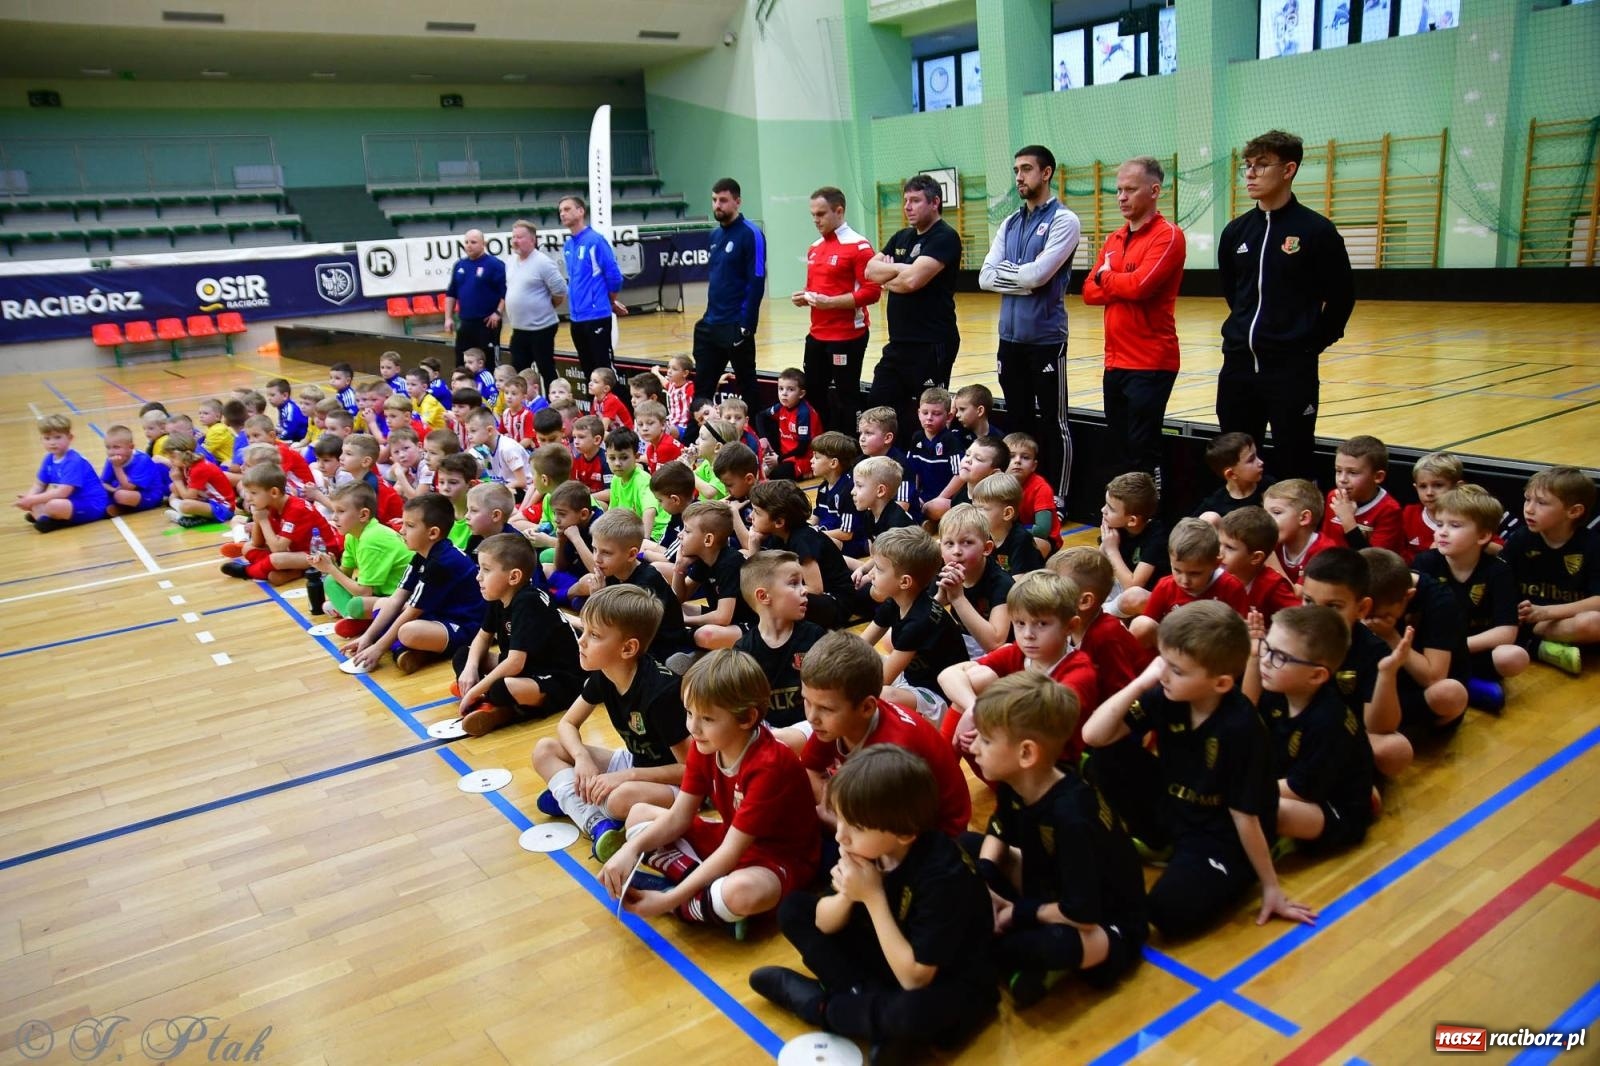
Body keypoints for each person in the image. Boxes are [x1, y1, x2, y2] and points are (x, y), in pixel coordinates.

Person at [1083, 601, 1317, 938]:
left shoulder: (1240, 728)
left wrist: (1271, 887)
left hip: (1220, 837)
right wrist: (1140, 683)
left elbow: (1245, 817)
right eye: (1163, 662)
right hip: (1175, 807)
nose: (1163, 674)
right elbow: (1094, 735)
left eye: (1177, 670)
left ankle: (1241, 866)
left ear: (1221, 683)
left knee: (1167, 913)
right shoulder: (1166, 692)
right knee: (1104, 758)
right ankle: (1163, 845)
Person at [751, 745, 997, 1058]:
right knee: (794, 910)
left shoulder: (942, 874)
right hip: (891, 954)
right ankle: (869, 1006)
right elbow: (823, 923)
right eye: (839, 820)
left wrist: (872, 896)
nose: (841, 836)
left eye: (855, 827)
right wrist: (847, 894)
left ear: (904, 833)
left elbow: (915, 978)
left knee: (917, 1011)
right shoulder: (869, 849)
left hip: (943, 980)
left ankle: (821, 1006)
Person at [598, 649, 820, 934]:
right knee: (638, 815)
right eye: (689, 713)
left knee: (741, 892)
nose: (693, 727)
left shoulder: (769, 765)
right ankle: (705, 901)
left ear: (747, 718)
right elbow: (679, 817)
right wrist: (629, 850)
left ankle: (685, 897)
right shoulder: (706, 746)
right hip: (731, 840)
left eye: (707, 719)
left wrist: (669, 900)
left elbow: (730, 852)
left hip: (777, 862)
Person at [967, 673, 1147, 1007]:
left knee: (1041, 944)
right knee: (966, 848)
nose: (973, 746)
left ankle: (1026, 959)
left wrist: (1013, 914)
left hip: (1101, 920)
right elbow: (999, 829)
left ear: (1026, 753)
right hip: (1052, 887)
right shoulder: (1015, 781)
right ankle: (1023, 959)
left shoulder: (1072, 816)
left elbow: (1082, 913)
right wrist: (986, 881)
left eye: (986, 740)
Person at [1217, 130, 1355, 480]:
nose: (1250, 173)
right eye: (1247, 166)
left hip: (1291, 372)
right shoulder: (1236, 232)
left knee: (1294, 460)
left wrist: (1307, 343)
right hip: (1238, 368)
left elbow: (1341, 298)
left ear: (1289, 169)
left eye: (1261, 166)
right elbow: (1234, 293)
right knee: (1236, 463)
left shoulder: (1317, 231)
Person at [531, 584, 689, 860]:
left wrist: (625, 776)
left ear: (627, 648)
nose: (581, 641)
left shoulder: (661, 693)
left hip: (678, 785)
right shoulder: (604, 674)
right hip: (636, 763)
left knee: (619, 798)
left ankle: (577, 805)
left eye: (594, 635)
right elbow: (567, 724)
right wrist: (582, 758)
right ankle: (593, 815)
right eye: (584, 630)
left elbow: (691, 771)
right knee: (545, 749)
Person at [979, 145, 1081, 505]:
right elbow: (984, 278)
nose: (1019, 177)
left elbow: (1039, 276)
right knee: (1019, 422)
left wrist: (1017, 276)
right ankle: (1019, 494)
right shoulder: (1010, 222)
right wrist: (1023, 278)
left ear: (1047, 172)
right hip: (1010, 339)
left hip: (1046, 340)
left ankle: (1058, 497)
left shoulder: (1064, 221)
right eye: (1016, 170)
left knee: (1054, 424)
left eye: (1026, 169)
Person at [1082, 156, 1185, 490]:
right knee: (1121, 446)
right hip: (1115, 362)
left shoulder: (1168, 236)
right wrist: (1115, 280)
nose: (1121, 197)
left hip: (1151, 362)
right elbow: (1088, 292)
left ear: (1154, 191)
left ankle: (1150, 518)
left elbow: (1141, 287)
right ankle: (1125, 515)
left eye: (1130, 189)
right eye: (1118, 190)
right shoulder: (1114, 239)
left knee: (1143, 449)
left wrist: (1107, 277)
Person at [450, 532, 582, 736]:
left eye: (486, 570)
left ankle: (501, 710)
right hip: (528, 668)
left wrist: (475, 690)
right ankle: (488, 701)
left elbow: (515, 663)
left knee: (501, 687)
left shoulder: (528, 601)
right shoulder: (499, 596)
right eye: (479, 569)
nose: (478, 577)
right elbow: (483, 637)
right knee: (464, 655)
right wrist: (470, 669)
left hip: (559, 679)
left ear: (513, 576)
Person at [1412, 486, 1529, 710]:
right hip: (1431, 653)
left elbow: (1506, 632)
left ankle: (1461, 681)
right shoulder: (1424, 563)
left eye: (1454, 526)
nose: (1442, 532)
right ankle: (1464, 685)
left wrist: (1456, 647)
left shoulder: (1498, 571)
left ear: (1483, 535)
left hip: (1472, 650)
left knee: (1514, 656)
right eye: (1439, 524)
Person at [339, 492, 483, 675]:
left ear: (432, 533)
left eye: (410, 525)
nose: (401, 530)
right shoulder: (421, 555)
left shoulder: (442, 563)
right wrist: (368, 638)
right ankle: (403, 647)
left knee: (408, 631)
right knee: (382, 603)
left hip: (466, 625)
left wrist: (378, 648)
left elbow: (412, 612)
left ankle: (412, 651)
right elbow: (396, 599)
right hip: (438, 615)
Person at [864, 175, 963, 435]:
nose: (908, 206)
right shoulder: (902, 237)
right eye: (906, 200)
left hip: (932, 343)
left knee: (930, 416)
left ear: (935, 203)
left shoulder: (944, 237)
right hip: (899, 343)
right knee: (879, 406)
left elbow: (911, 281)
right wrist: (901, 271)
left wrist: (890, 275)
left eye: (915, 200)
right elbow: (870, 271)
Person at [795, 186, 881, 432]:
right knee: (814, 394)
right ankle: (823, 446)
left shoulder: (859, 247)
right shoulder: (814, 248)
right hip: (817, 335)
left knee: (847, 396)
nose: (815, 220)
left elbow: (872, 292)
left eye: (821, 214)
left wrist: (831, 303)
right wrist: (805, 297)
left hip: (847, 337)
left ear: (839, 211)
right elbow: (817, 289)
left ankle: (850, 446)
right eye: (813, 214)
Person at [1503, 466, 1600, 676]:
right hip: (1524, 620)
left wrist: (1546, 613)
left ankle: (1534, 644)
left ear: (1574, 511)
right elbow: (1501, 582)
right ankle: (1539, 646)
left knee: (1593, 622)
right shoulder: (1520, 540)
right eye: (1527, 499)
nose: (1529, 509)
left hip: (1562, 621)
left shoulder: (1592, 545)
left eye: (1541, 503)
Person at [693, 178, 767, 407]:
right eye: (714, 200)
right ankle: (697, 438)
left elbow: (756, 279)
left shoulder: (751, 233)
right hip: (711, 324)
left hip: (735, 325)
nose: (717, 205)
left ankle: (758, 438)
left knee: (748, 387)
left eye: (723, 200)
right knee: (703, 388)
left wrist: (746, 325)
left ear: (737, 201)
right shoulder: (714, 236)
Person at [559, 195, 626, 377]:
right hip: (577, 318)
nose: (562, 214)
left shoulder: (595, 241)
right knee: (588, 372)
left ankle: (615, 405)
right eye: (560, 211)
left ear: (581, 211)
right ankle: (596, 406)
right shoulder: (568, 245)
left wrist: (608, 301)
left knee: (603, 371)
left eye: (567, 209)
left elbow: (614, 277)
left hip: (596, 317)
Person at [502, 219, 568, 386]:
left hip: (542, 328)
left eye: (520, 237)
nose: (515, 241)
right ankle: (524, 406)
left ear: (532, 240)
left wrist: (546, 306)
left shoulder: (543, 262)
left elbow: (560, 291)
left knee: (546, 368)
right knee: (518, 371)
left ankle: (554, 403)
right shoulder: (510, 262)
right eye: (513, 237)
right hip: (519, 329)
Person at [18, 413, 108, 531]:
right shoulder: (49, 459)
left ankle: (51, 521)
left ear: (70, 438)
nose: (52, 442)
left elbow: (63, 492)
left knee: (52, 504)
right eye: (47, 438)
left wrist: (31, 500)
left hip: (92, 504)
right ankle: (45, 517)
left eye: (57, 437)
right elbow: (39, 484)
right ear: (41, 440)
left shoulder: (73, 460)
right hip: (71, 501)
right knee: (38, 500)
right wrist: (29, 499)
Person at [442, 229, 507, 367]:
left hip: (487, 324)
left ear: (484, 244)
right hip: (465, 322)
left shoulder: (495, 265)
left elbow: (505, 292)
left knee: (488, 362)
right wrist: (448, 318)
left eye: (473, 242)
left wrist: (498, 313)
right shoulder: (459, 265)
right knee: (461, 362)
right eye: (466, 242)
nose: (468, 245)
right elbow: (451, 293)